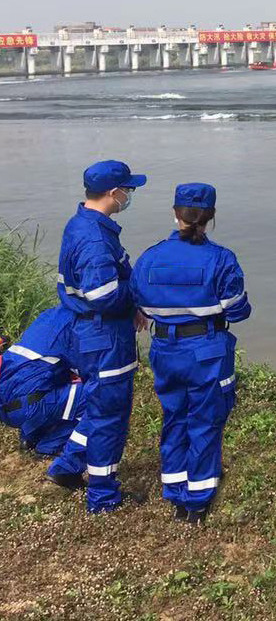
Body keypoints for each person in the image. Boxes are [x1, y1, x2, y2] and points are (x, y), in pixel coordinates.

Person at [131, 183, 251, 523]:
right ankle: (197, 500)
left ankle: (175, 490)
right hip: (207, 351)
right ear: (210, 217)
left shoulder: (150, 257)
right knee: (205, 420)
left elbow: (138, 301)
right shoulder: (221, 259)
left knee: (174, 416)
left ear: (175, 213)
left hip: (165, 350)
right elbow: (238, 309)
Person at [47, 160, 147, 512]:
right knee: (111, 414)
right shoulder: (94, 239)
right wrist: (135, 299)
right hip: (105, 337)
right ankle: (103, 495)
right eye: (128, 190)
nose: (129, 195)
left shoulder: (83, 225)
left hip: (86, 332)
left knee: (99, 403)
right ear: (112, 193)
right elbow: (104, 295)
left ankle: (68, 464)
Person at [0, 307, 86, 459]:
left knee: (42, 382)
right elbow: (88, 370)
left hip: (8, 410)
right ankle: (48, 446)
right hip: (28, 407)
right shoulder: (73, 328)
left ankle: (29, 437)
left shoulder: (48, 316)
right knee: (94, 394)